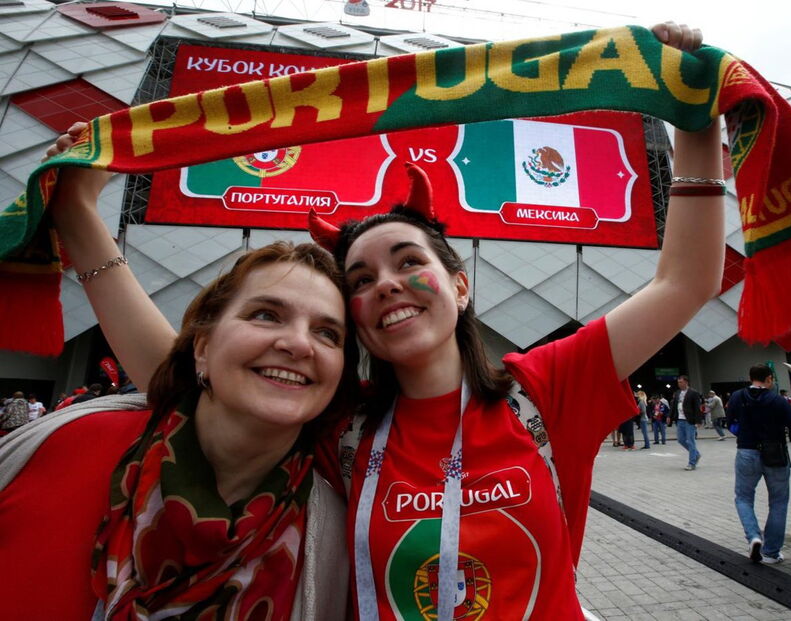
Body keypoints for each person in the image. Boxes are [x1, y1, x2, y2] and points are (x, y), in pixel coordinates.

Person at [38, 22, 722, 619]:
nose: (387, 284)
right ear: (356, 321)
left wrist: (693, 123)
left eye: (407, 262)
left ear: (459, 286)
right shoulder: (345, 426)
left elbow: (686, 281)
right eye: (361, 280)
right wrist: (81, 217)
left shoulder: (542, 387)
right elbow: (183, 368)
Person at [0, 238, 355, 617]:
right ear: (202, 349)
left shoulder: (340, 535)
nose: (299, 344)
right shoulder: (57, 449)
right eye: (266, 315)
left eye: (327, 333)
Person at [725, 364, 791, 564]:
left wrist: (744, 436)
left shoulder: (737, 396)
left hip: (747, 452)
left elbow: (730, 422)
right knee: (778, 502)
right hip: (775, 454)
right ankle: (771, 551)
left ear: (750, 377)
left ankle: (754, 536)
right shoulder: (778, 400)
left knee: (743, 498)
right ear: (769, 379)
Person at [669, 375, 703, 470]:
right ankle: (696, 454)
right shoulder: (677, 393)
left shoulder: (693, 393)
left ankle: (692, 463)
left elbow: (697, 407)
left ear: (686, 382)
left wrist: (698, 421)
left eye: (681, 382)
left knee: (690, 441)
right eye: (678, 382)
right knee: (680, 439)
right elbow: (673, 405)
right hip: (680, 420)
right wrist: (669, 416)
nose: (679, 384)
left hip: (690, 420)